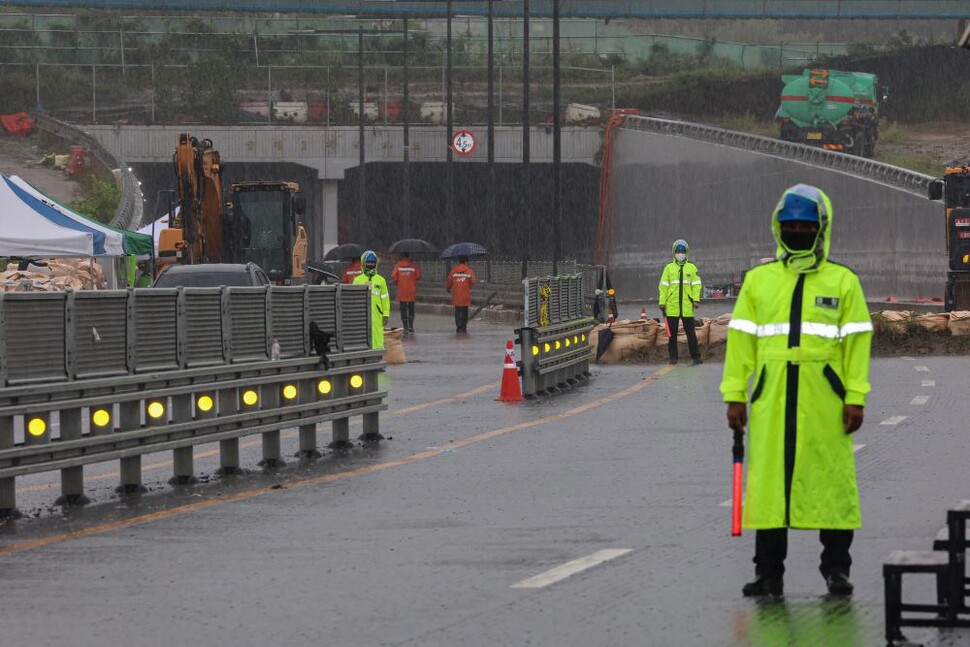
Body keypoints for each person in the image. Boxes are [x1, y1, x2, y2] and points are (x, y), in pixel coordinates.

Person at [720, 184, 873, 599]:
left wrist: (854, 396)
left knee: (832, 483)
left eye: (807, 225)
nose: (798, 231)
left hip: (825, 401)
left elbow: (857, 344)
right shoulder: (758, 282)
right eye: (791, 226)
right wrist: (735, 394)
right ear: (778, 228)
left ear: (822, 228)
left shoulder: (843, 282)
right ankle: (769, 574)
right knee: (769, 484)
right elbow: (740, 343)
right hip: (772, 399)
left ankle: (836, 570)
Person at [658, 239, 703, 365]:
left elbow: (696, 285)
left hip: (687, 307)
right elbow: (663, 286)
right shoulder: (669, 268)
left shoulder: (692, 267)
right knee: (672, 335)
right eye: (678, 251)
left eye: (682, 251)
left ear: (686, 252)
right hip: (672, 307)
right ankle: (673, 358)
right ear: (674, 252)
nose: (680, 253)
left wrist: (696, 300)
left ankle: (696, 357)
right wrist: (662, 302)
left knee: (691, 334)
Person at [352, 250, 390, 350]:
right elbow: (353, 299)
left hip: (377, 315)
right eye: (368, 262)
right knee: (362, 334)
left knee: (377, 333)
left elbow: (385, 298)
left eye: (372, 263)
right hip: (361, 315)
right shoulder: (357, 280)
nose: (370, 264)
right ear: (363, 263)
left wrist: (385, 314)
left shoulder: (381, 280)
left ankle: (377, 352)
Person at [390, 252, 422, 334]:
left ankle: (406, 327)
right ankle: (411, 326)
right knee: (411, 308)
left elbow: (393, 275)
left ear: (401, 256)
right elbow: (418, 276)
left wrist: (398, 281)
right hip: (411, 290)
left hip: (402, 290)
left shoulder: (398, 265)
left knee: (403, 309)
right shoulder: (413, 266)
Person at [446, 255, 476, 333]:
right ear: (466, 262)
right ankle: (464, 325)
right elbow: (473, 281)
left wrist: (448, 289)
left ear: (459, 261)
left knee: (458, 310)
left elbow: (449, 282)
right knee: (465, 310)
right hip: (466, 294)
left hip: (456, 294)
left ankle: (458, 325)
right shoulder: (469, 271)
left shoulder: (453, 271)